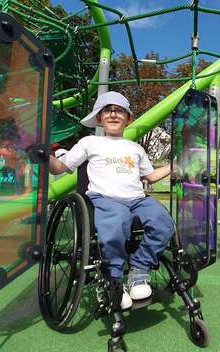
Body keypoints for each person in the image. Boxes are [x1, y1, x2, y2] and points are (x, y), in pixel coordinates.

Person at [49, 91, 173, 310]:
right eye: (108, 110)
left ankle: (139, 269)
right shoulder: (89, 142)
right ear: (99, 118)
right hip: (105, 198)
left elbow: (151, 176)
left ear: (128, 118)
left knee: (163, 222)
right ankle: (114, 278)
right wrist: (41, 153)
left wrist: (177, 165)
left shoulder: (136, 148)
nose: (113, 115)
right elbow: (61, 167)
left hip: (137, 198)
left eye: (119, 111)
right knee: (117, 221)